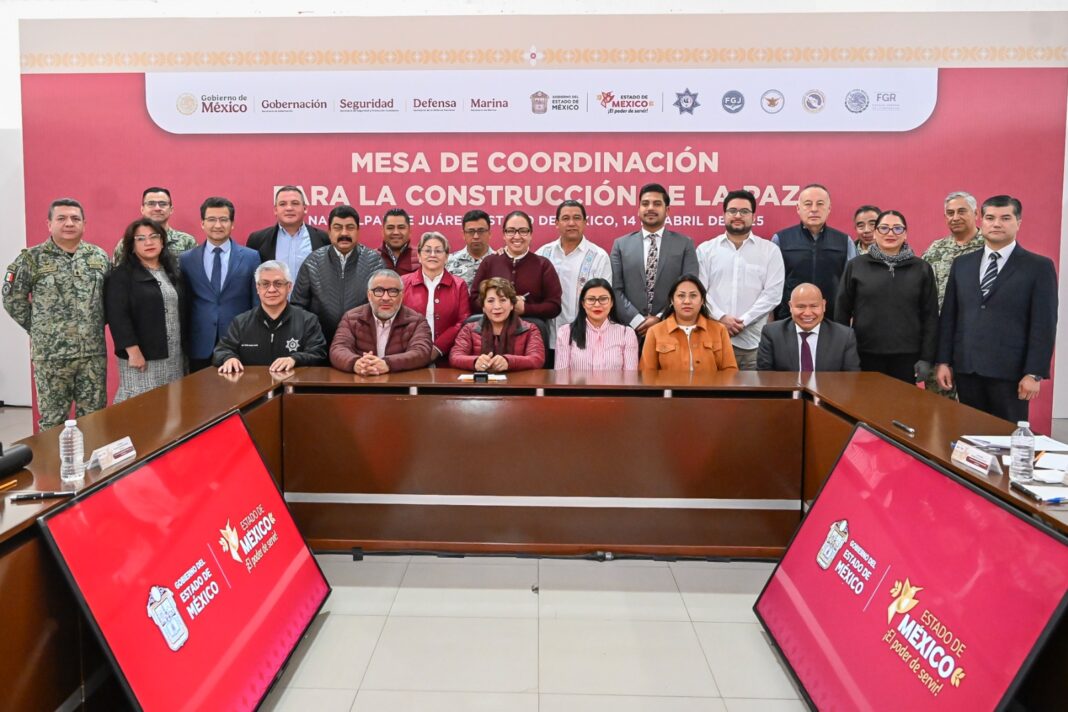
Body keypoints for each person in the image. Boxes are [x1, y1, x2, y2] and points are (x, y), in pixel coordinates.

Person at [936, 195, 1057, 422]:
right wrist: (943, 361)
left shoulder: (1038, 267)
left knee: (1007, 436)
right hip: (967, 369)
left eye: (1005, 218)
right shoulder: (962, 264)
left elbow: (1044, 325)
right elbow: (950, 317)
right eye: (990, 218)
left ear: (1018, 223)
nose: (996, 224)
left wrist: (1034, 373)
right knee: (970, 434)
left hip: (1011, 373)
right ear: (982, 221)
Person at [3, 198, 110, 430]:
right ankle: (53, 457)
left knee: (94, 419)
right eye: (61, 218)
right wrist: (42, 328)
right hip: (51, 357)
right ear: (49, 224)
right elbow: (12, 299)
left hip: (92, 354)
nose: (69, 223)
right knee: (52, 422)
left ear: (84, 224)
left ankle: (91, 456)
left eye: (75, 218)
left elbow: (111, 299)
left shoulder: (99, 257)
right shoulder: (31, 259)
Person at [834, 210, 938, 384]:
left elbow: (930, 316)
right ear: (875, 233)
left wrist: (927, 358)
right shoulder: (856, 266)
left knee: (902, 402)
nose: (890, 233)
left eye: (897, 228)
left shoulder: (922, 268)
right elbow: (841, 312)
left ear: (905, 234)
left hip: (907, 357)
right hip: (864, 354)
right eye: (884, 228)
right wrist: (843, 352)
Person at [696, 189, 784, 370]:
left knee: (753, 389)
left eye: (744, 211)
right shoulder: (705, 250)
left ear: (753, 216)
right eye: (732, 211)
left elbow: (772, 294)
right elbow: (699, 292)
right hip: (713, 342)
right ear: (724, 215)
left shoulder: (769, 251)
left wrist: (743, 321)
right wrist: (721, 318)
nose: (738, 216)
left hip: (754, 344)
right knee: (712, 389)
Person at [105, 218, 187, 403]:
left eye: (154, 236)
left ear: (162, 241)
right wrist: (133, 352)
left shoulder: (171, 272)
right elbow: (118, 316)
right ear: (132, 246)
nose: (148, 242)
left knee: (172, 405)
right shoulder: (122, 275)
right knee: (143, 406)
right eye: (140, 239)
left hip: (174, 355)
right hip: (143, 357)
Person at [179, 197, 260, 372]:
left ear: (232, 224)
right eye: (211, 219)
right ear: (202, 223)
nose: (217, 225)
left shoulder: (251, 257)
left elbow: (256, 302)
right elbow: (184, 304)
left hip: (239, 342)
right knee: (199, 389)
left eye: (223, 219)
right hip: (199, 344)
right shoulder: (187, 259)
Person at [610, 182, 699, 338]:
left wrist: (660, 318)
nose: (650, 208)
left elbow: (689, 289)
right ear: (638, 210)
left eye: (657, 204)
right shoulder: (621, 245)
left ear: (667, 210)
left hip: (671, 330)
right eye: (645, 204)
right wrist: (637, 321)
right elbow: (615, 289)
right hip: (629, 331)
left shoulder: (685, 244)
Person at [922, 191, 987, 397]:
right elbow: (921, 289)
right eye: (950, 213)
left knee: (975, 407)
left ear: (975, 214)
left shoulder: (989, 248)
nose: (955, 217)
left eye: (961, 211)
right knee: (938, 406)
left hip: (976, 339)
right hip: (941, 339)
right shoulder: (936, 249)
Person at [291, 205, 385, 344]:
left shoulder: (374, 262)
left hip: (362, 344)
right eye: (338, 228)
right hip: (319, 343)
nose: (344, 233)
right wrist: (311, 336)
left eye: (350, 227)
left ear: (358, 231)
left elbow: (383, 305)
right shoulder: (312, 262)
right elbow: (297, 306)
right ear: (329, 232)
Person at [213, 261, 327, 373]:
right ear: (257, 288)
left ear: (289, 287)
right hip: (252, 385)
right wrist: (228, 358)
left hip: (291, 384)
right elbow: (221, 351)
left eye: (278, 283)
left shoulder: (307, 320)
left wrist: (295, 359)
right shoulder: (241, 322)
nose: (271, 289)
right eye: (265, 284)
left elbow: (318, 353)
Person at [536, 200, 613, 352]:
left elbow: (605, 301)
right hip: (548, 339)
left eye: (577, 218)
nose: (571, 223)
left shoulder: (599, 256)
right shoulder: (543, 254)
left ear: (585, 222)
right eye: (565, 218)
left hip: (585, 341)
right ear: (556, 223)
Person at [771, 184, 856, 320]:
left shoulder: (845, 241)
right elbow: (772, 285)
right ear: (798, 208)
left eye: (820, 204)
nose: (814, 209)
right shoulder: (781, 239)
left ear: (829, 208)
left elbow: (851, 286)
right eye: (808, 204)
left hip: (833, 319)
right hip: (789, 318)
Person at [329, 269, 433, 375]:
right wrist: (357, 363)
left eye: (393, 291)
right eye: (378, 291)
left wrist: (388, 364)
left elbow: (421, 352)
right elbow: (338, 349)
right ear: (369, 295)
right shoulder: (351, 318)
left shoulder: (417, 321)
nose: (385, 298)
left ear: (402, 296)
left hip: (399, 382)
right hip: (361, 380)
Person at [469, 210, 562, 322]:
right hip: (492, 330)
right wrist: (497, 305)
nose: (517, 236)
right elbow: (474, 300)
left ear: (531, 234)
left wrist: (526, 309)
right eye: (511, 231)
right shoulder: (489, 262)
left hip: (532, 331)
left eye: (523, 231)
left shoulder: (543, 265)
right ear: (504, 235)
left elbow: (554, 306)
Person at [639, 274, 737, 373]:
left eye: (693, 296)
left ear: (702, 300)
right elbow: (647, 374)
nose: (687, 301)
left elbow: (730, 371)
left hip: (711, 384)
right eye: (681, 296)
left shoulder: (719, 330)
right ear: (672, 300)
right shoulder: (655, 332)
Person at [757, 283, 861, 372]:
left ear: (823, 305)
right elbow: (765, 377)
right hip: (787, 390)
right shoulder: (772, 334)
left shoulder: (844, 336)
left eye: (814, 306)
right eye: (800, 307)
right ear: (790, 307)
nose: (807, 313)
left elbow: (851, 379)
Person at [401, 231, 470, 363]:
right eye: (427, 250)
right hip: (408, 354)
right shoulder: (403, 283)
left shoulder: (459, 285)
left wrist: (438, 348)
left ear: (446, 257)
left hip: (447, 357)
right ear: (419, 256)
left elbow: (463, 322)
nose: (432, 255)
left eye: (438, 251)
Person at [450, 277, 545, 371]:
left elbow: (537, 359)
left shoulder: (530, 329)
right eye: (490, 301)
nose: (497, 306)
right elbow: (455, 357)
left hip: (518, 380)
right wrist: (475, 361)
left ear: (512, 305)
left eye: (502, 300)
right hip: (480, 380)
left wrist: (509, 361)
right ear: (483, 307)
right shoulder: (469, 329)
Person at [554, 278, 638, 370]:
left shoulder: (626, 334)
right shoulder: (566, 332)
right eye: (591, 299)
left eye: (603, 299)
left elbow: (630, 376)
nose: (597, 304)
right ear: (583, 303)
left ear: (612, 303)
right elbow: (562, 376)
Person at [246, 186, 330, 277]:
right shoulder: (257, 240)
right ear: (275, 210)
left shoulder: (324, 239)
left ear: (305, 208)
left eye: (295, 203)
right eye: (282, 204)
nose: (289, 208)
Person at [112, 187, 197, 264]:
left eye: (163, 204)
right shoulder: (129, 242)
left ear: (171, 210)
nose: (157, 208)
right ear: (142, 209)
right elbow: (117, 273)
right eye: (151, 204)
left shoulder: (187, 241)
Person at [446, 209, 493, 288]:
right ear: (463, 234)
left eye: (481, 231)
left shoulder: (498, 261)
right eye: (471, 231)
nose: (476, 236)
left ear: (489, 233)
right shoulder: (449, 261)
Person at [378, 208, 418, 275]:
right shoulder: (371, 257)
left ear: (410, 231)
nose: (396, 232)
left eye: (401, 227)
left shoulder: (421, 257)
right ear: (382, 231)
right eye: (390, 228)